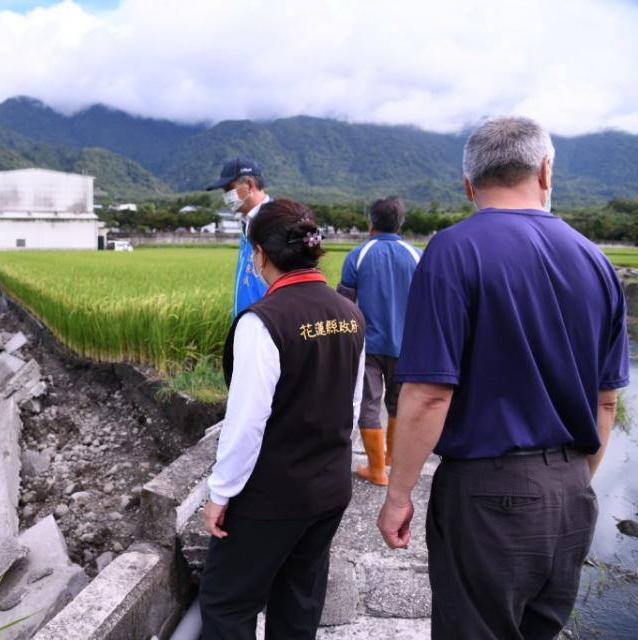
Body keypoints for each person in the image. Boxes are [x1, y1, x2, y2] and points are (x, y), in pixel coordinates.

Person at [376, 116, 629, 639]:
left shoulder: (453, 249)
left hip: (488, 495)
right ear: (545, 171)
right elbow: (607, 403)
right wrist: (573, 484)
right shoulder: (596, 261)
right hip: (573, 491)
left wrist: (398, 495)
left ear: (469, 185)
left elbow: (427, 395)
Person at [199, 199, 365, 640]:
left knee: (226, 603)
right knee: (299, 603)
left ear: (262, 255)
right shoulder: (350, 314)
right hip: (329, 488)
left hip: (273, 496)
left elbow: (246, 423)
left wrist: (220, 492)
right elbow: (351, 406)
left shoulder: (264, 321)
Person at [337, 196, 420, 485]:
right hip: (407, 347)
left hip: (367, 348)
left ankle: (376, 470)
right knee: (399, 405)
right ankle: (392, 461)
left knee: (369, 405)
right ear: (400, 223)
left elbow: (344, 304)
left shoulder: (358, 255)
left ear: (371, 222)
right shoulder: (416, 255)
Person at [206, 157, 272, 318]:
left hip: (268, 329)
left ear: (249, 185)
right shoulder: (247, 223)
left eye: (229, 189)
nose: (226, 197)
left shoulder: (276, 222)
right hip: (247, 327)